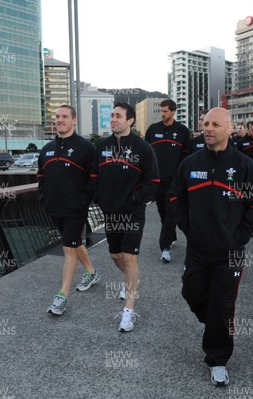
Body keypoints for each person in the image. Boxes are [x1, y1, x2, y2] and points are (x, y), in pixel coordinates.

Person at [169, 108, 253, 387]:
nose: (208, 128)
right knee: (192, 292)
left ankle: (218, 360)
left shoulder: (245, 166)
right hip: (198, 249)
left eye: (215, 124)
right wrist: (188, 227)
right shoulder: (190, 164)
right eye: (205, 124)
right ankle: (211, 324)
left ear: (229, 128)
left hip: (230, 252)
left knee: (222, 306)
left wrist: (240, 236)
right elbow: (175, 198)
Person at [92, 102, 159, 332]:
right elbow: (94, 177)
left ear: (130, 120)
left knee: (130, 258)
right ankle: (131, 279)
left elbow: (153, 182)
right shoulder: (101, 147)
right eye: (112, 115)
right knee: (116, 256)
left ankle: (128, 311)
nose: (113, 119)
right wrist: (100, 199)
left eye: (118, 116)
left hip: (132, 212)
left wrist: (133, 199)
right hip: (110, 213)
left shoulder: (143, 148)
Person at [38, 105, 100, 316]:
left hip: (76, 208)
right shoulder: (46, 149)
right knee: (74, 243)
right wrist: (43, 196)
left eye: (64, 116)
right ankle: (91, 272)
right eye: (57, 117)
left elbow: (95, 178)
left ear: (74, 120)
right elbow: (41, 177)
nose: (60, 120)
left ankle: (62, 296)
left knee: (68, 249)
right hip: (54, 207)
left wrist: (83, 200)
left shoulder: (87, 148)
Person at [144, 99, 190, 263]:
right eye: (161, 111)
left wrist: (183, 180)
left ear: (173, 111)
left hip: (174, 182)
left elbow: (186, 158)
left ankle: (165, 248)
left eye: (165, 111)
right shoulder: (153, 130)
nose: (162, 114)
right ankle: (171, 236)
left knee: (171, 213)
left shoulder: (183, 131)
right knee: (163, 213)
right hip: (156, 181)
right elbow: (146, 155)